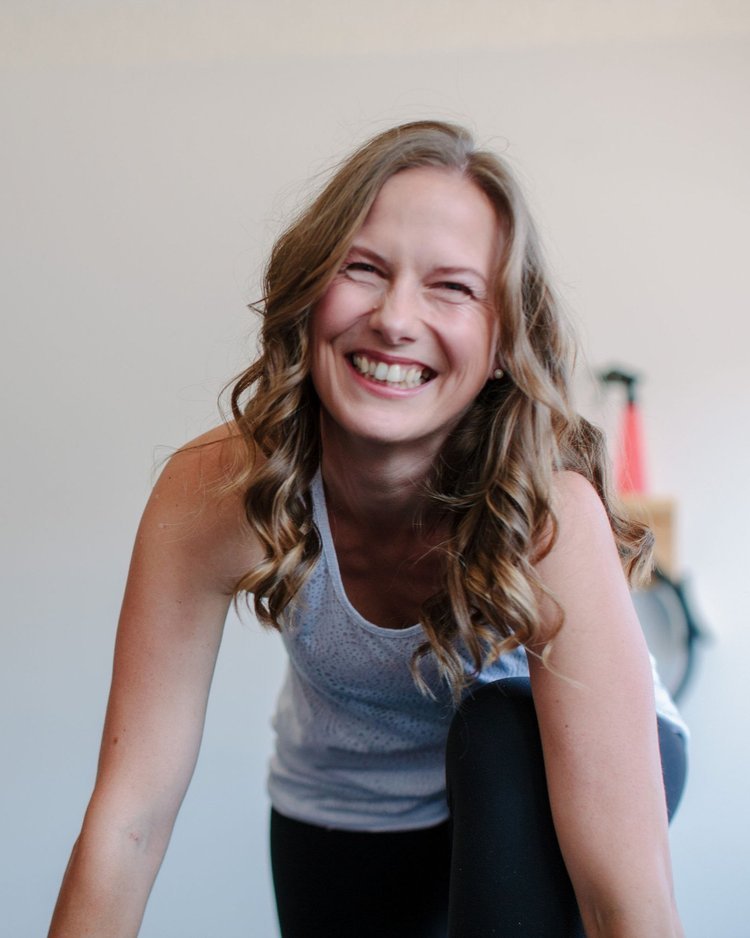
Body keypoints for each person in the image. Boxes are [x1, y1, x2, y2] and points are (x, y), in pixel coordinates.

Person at [48, 120, 688, 938]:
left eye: (452, 287)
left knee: (496, 734)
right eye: (363, 269)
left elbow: (620, 897)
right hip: (344, 803)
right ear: (311, 291)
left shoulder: (545, 512)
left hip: (546, 773)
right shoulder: (215, 491)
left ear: (501, 343)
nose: (394, 318)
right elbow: (128, 820)